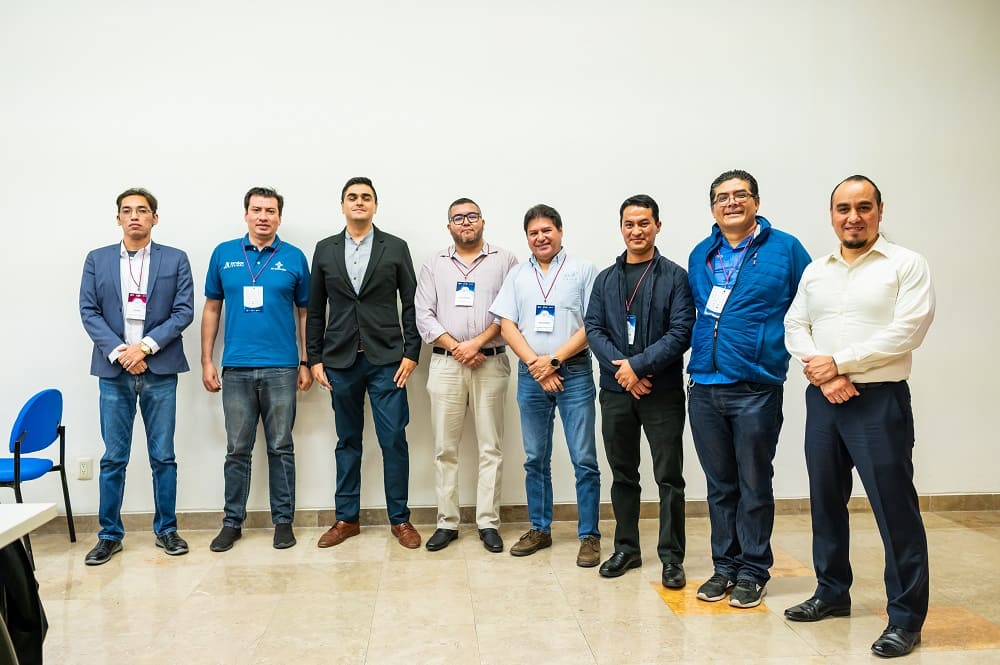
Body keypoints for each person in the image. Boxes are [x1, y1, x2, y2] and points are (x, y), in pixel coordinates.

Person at [783, 175, 935, 658]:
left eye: (864, 207)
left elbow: (908, 330)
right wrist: (825, 373)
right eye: (843, 209)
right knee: (826, 501)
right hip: (823, 399)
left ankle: (905, 619)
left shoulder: (906, 264)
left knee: (895, 510)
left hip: (878, 401)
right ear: (832, 216)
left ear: (880, 211)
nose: (853, 217)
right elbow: (795, 324)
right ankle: (831, 592)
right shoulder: (816, 270)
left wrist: (840, 363)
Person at [687, 169, 811, 607]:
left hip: (756, 387)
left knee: (754, 484)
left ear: (756, 202)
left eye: (740, 195)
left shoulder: (786, 249)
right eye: (722, 197)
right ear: (713, 209)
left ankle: (754, 570)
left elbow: (810, 307)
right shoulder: (701, 253)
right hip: (704, 385)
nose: (732, 202)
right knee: (720, 486)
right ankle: (724, 566)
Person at [306, 177, 423, 549]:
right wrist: (314, 358)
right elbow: (315, 309)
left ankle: (400, 520)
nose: (359, 202)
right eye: (352, 197)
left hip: (388, 360)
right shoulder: (324, 249)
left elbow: (411, 303)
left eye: (366, 197)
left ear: (375, 205)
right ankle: (346, 519)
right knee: (347, 441)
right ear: (342, 205)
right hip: (340, 360)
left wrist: (411, 352)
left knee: (394, 439)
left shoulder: (395, 247)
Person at [79, 187, 194, 565]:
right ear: (118, 218)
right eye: (127, 211)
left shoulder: (175, 259)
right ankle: (109, 535)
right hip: (114, 371)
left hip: (159, 369)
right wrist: (122, 353)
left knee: (163, 456)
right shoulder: (97, 259)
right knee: (114, 458)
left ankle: (167, 530)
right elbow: (89, 311)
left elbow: (183, 311)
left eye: (142, 210)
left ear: (154, 218)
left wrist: (143, 348)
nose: (134, 216)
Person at [584, 194, 694, 586]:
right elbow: (593, 329)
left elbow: (681, 332)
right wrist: (624, 371)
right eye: (629, 224)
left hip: (661, 392)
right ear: (621, 229)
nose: (637, 231)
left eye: (644, 223)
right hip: (616, 392)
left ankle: (672, 558)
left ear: (657, 226)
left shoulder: (675, 277)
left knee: (669, 477)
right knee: (623, 473)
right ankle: (627, 548)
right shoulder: (605, 279)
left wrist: (639, 367)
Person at [489, 204, 601, 567]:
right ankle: (540, 528)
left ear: (560, 231)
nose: (541, 237)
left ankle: (589, 535)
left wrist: (554, 360)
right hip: (531, 375)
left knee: (584, 458)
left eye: (547, 230)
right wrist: (537, 366)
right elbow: (507, 325)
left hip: (574, 373)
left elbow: (593, 324)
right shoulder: (518, 274)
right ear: (527, 238)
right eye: (533, 233)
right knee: (535, 457)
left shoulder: (583, 270)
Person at [201, 187, 312, 552]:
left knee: (281, 446)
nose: (263, 216)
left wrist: (306, 360)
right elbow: (212, 308)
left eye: (270, 211)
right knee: (237, 449)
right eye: (257, 210)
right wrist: (206, 360)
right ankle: (232, 522)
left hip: (282, 367)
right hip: (236, 368)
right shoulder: (224, 254)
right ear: (246, 214)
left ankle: (283, 522)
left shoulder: (294, 257)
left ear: (279, 217)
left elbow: (305, 313)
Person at [414, 198, 518, 553]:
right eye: (458, 218)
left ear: (483, 221)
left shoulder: (505, 260)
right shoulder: (434, 264)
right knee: (445, 448)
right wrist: (458, 347)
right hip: (446, 364)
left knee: (491, 447)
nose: (466, 222)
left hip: (491, 362)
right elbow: (423, 315)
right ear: (449, 227)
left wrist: (476, 344)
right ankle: (447, 522)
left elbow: (510, 312)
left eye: (472, 216)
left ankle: (488, 522)